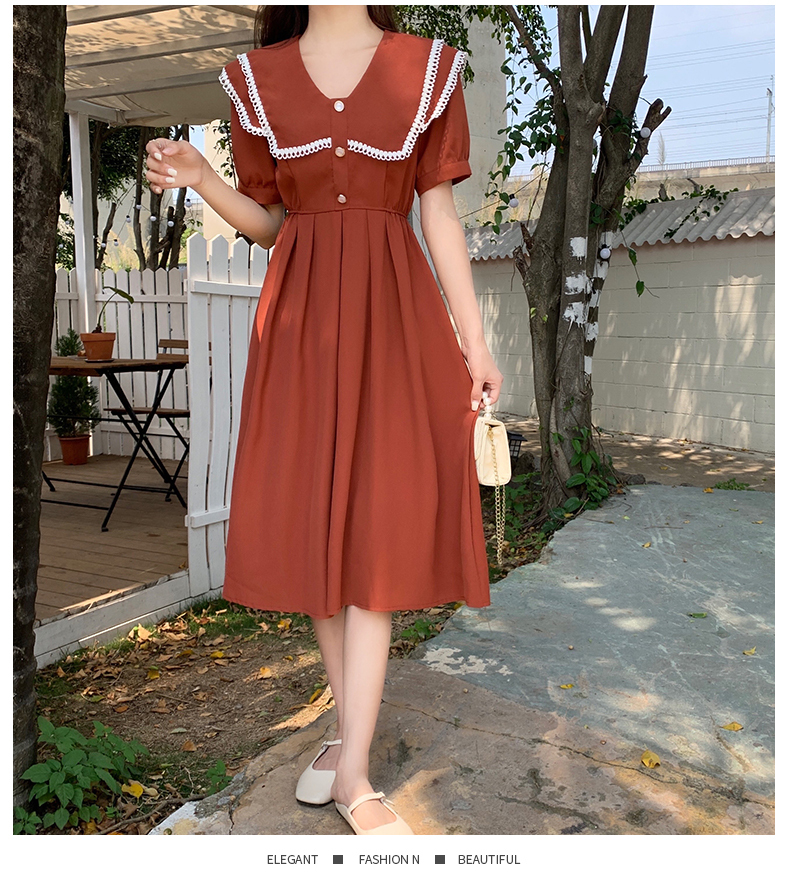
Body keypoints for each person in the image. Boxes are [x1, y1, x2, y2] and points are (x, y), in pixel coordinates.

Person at [146, 4, 503, 836]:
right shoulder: (256, 80)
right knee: (319, 532)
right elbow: (273, 225)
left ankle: (354, 772)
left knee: (376, 531)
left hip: (395, 325)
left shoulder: (426, 68)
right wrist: (203, 178)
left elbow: (437, 212)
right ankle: (349, 742)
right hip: (302, 332)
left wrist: (476, 341)